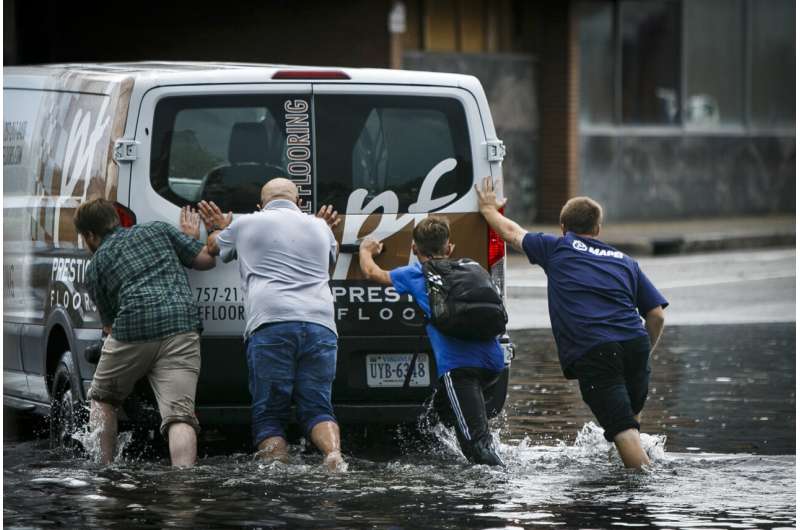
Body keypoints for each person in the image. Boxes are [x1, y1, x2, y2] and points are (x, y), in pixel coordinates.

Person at [475, 176, 667, 469]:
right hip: (636, 344)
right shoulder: (625, 261)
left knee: (622, 430)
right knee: (630, 421)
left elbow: (512, 233)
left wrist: (488, 210)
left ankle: (642, 497)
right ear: (598, 229)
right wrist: (643, 353)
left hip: (597, 348)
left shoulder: (558, 247)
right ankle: (630, 473)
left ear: (563, 228)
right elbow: (656, 315)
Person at [197, 178, 346, 471]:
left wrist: (218, 227)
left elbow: (213, 248)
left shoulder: (248, 223)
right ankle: (333, 455)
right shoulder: (320, 227)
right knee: (318, 408)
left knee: (270, 416)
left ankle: (275, 475)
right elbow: (329, 264)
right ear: (299, 203)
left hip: (271, 322)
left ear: (260, 205)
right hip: (320, 323)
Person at [75, 198, 217, 467]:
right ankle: (183, 482)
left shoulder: (95, 267)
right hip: (181, 325)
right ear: (115, 219)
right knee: (179, 415)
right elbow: (205, 260)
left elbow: (109, 327)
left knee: (102, 398)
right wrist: (189, 239)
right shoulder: (157, 230)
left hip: (132, 331)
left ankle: (104, 468)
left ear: (90, 235)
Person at [358, 216, 506, 466]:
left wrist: (365, 249)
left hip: (460, 370)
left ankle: (499, 491)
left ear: (415, 249)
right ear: (449, 248)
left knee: (477, 446)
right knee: (438, 418)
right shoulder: (472, 267)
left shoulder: (415, 274)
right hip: (494, 364)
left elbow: (372, 272)